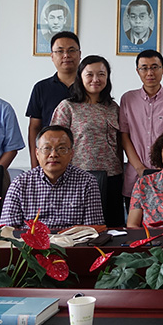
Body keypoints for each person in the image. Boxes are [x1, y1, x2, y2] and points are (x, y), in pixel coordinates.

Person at [50, 55, 126, 227]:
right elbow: (55, 142)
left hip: (111, 177)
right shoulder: (67, 107)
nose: (95, 79)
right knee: (81, 229)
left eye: (101, 74)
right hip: (78, 177)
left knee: (113, 227)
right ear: (80, 77)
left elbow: (119, 143)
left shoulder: (113, 107)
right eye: (89, 74)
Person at [118, 50, 163, 198]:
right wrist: (140, 168)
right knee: (133, 213)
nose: (150, 73)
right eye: (144, 68)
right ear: (137, 71)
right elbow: (124, 137)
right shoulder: (128, 99)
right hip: (135, 174)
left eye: (154, 67)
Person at [0, 125, 104, 229]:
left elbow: (93, 229)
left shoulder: (87, 182)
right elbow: (7, 229)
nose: (53, 154)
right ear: (37, 153)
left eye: (61, 148)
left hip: (73, 239)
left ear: (71, 154)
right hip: (31, 239)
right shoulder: (20, 184)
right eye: (47, 148)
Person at [26, 31, 81, 169]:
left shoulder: (90, 87)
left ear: (80, 54)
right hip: (51, 161)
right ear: (52, 56)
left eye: (71, 50)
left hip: (83, 161)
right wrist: (35, 164)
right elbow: (34, 128)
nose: (66, 55)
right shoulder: (41, 88)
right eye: (60, 51)